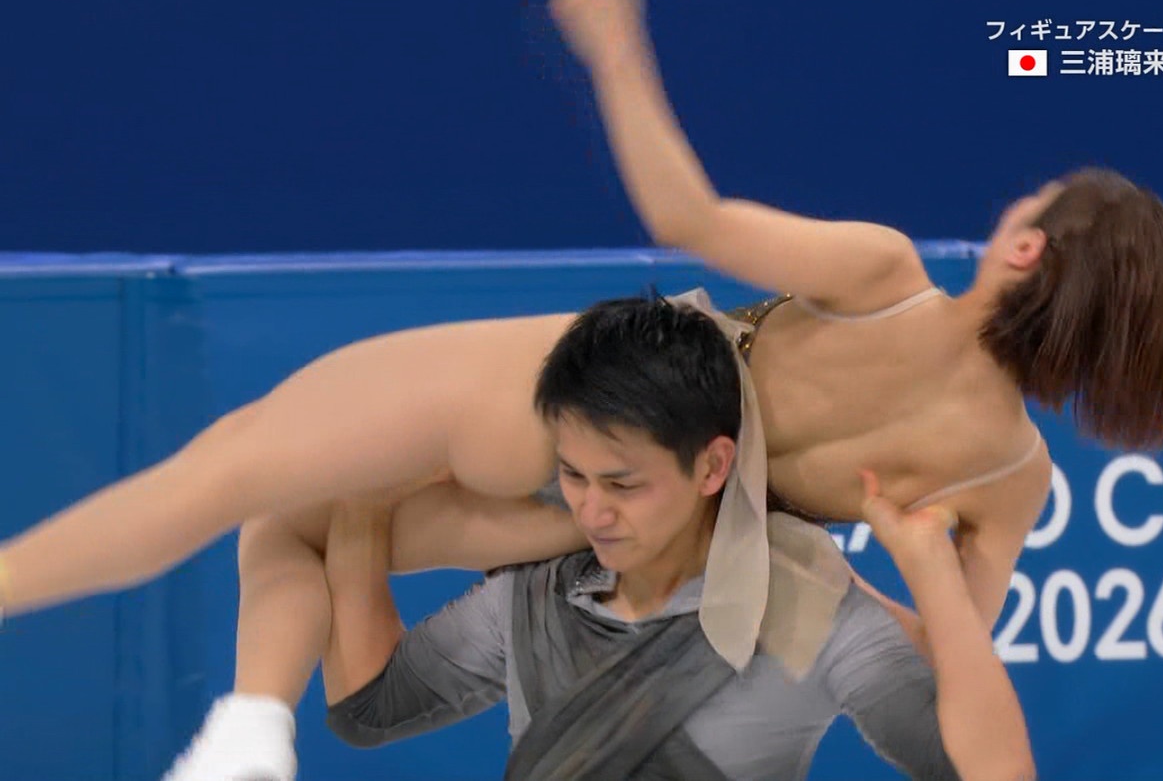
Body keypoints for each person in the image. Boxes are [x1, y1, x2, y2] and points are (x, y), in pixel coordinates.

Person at [0, 0, 1163, 777]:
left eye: (1025, 208)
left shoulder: (889, 278)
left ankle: (248, 722)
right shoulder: (1008, 475)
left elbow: (686, 215)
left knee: (233, 477)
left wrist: (615, 42)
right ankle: (251, 736)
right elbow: (945, 671)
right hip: (626, 531)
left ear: (1027, 251)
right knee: (295, 525)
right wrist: (870, 566)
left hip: (582, 399)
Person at [315, 295, 1003, 780]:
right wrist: (361, 503)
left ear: (712, 466)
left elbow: (990, 772)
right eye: (573, 476)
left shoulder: (804, 611)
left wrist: (933, 571)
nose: (592, 512)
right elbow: (369, 709)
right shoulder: (536, 595)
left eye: (622, 485)